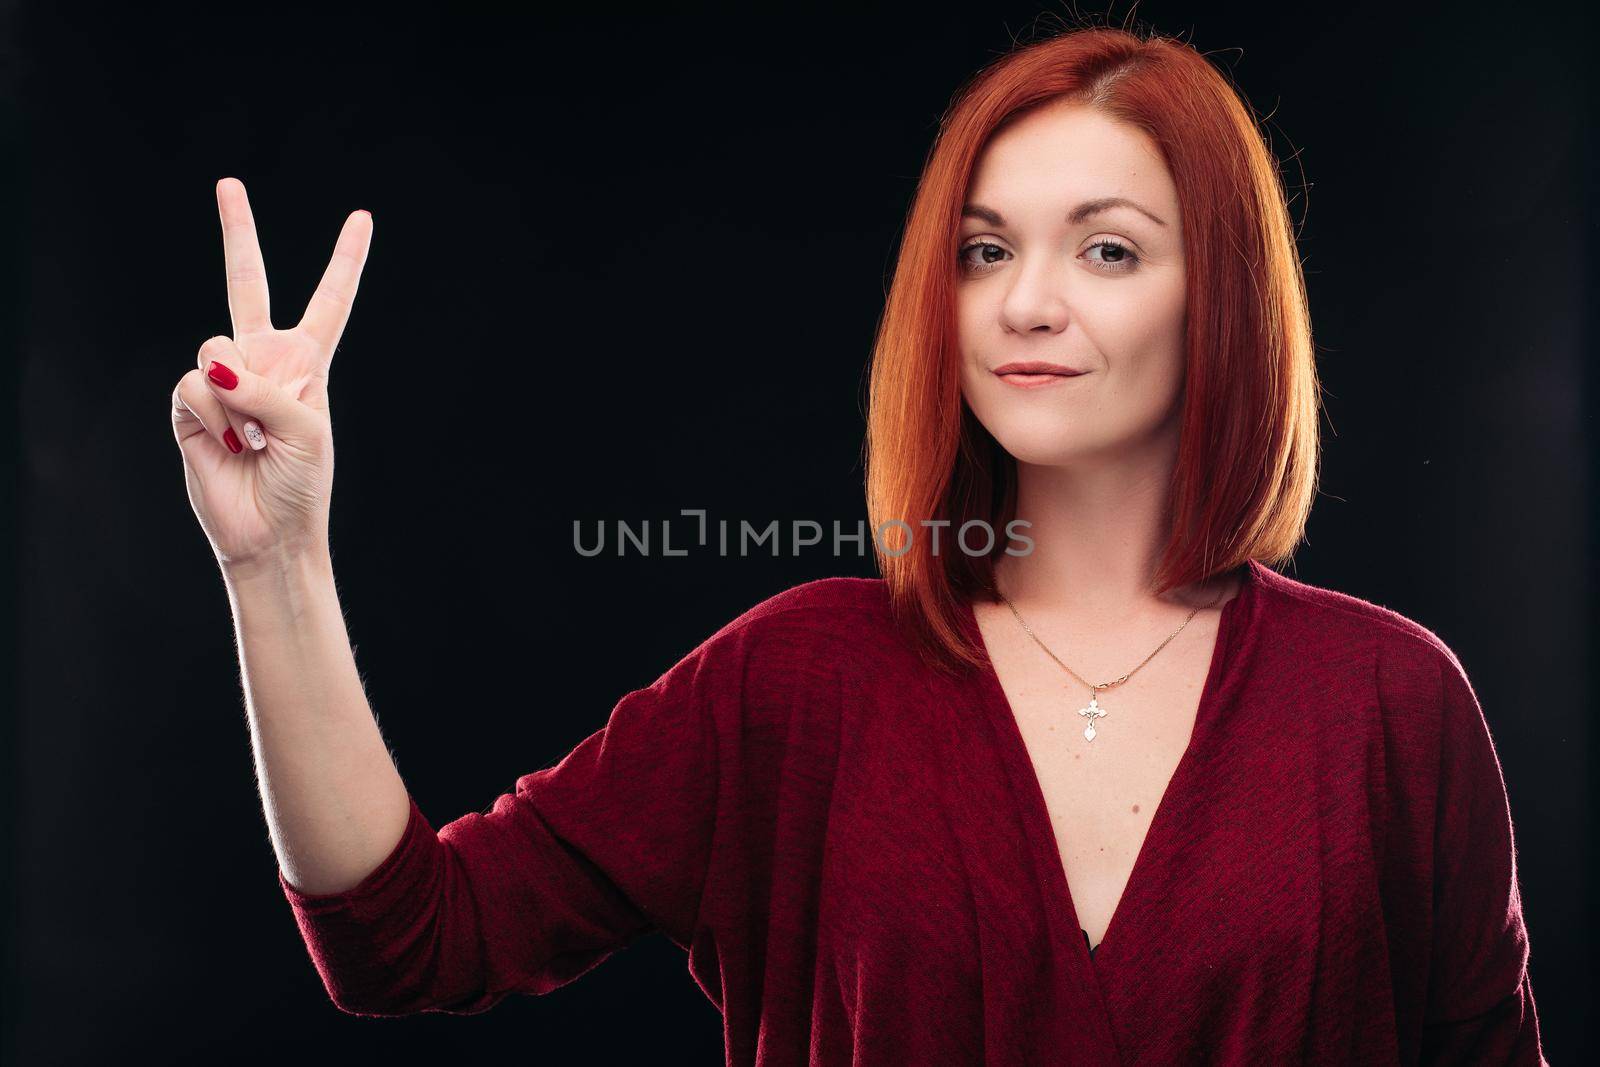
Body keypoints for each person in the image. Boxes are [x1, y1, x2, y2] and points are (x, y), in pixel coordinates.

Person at [169, 23, 1546, 1066]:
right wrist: (275, 562)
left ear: (1224, 298)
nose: (1027, 304)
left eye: (1109, 251)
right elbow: (414, 938)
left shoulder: (1389, 705)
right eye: (985, 250)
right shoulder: (802, 679)